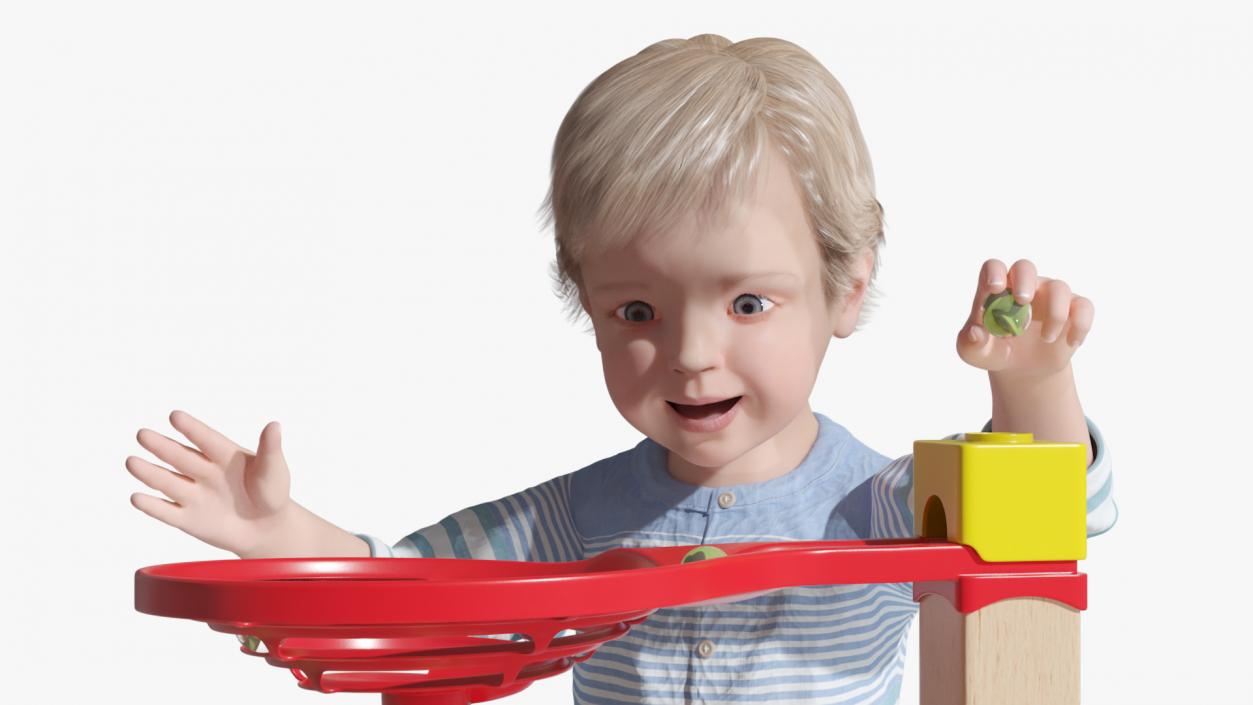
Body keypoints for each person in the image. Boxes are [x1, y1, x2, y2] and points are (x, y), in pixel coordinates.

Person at [127, 34, 1117, 704]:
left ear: (846, 289)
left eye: (745, 303)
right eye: (636, 311)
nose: (690, 354)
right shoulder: (577, 517)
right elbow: (410, 591)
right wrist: (280, 534)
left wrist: (1029, 387)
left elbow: (1052, 516)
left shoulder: (878, 501)